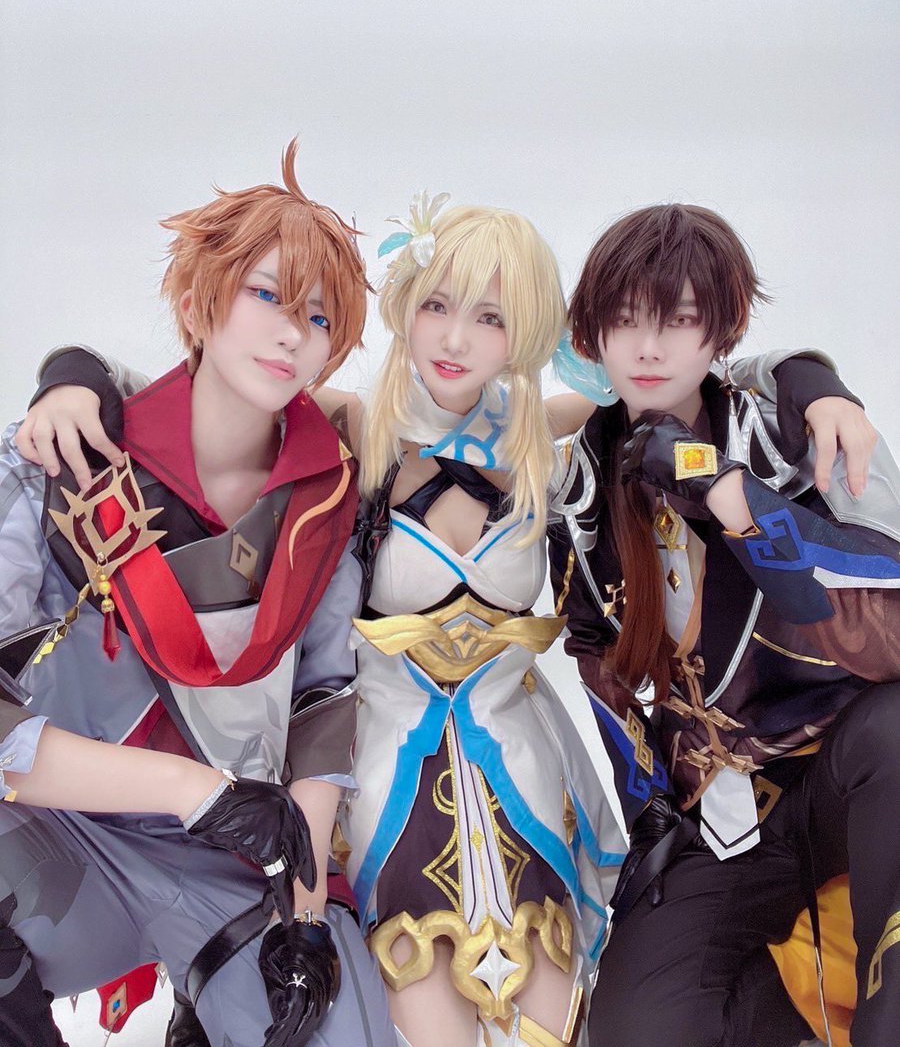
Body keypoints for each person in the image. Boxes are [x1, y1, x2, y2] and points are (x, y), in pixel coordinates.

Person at [19, 194, 876, 1047]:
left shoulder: (551, 438)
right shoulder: (356, 428)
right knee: (419, 998)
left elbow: (689, 374)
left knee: (552, 1007)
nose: (456, 340)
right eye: (437, 306)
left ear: (522, 333)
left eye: (490, 317)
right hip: (386, 749)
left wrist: (811, 378)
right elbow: (193, 385)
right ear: (406, 308)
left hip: (518, 744)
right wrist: (72, 373)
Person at [0, 142, 395, 1047]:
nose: (293, 333)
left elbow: (323, 708)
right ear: (195, 303)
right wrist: (193, 789)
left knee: (334, 1027)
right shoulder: (61, 464)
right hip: (65, 838)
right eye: (268, 295)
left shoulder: (327, 500)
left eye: (320, 317)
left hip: (234, 856)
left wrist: (302, 918)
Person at [547, 203, 900, 1047]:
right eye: (624, 320)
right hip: (720, 815)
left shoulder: (796, 434)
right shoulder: (580, 488)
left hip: (846, 776)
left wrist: (731, 497)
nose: (648, 348)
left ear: (722, 328)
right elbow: (596, 661)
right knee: (636, 1027)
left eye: (677, 321)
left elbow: (886, 637)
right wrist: (651, 816)